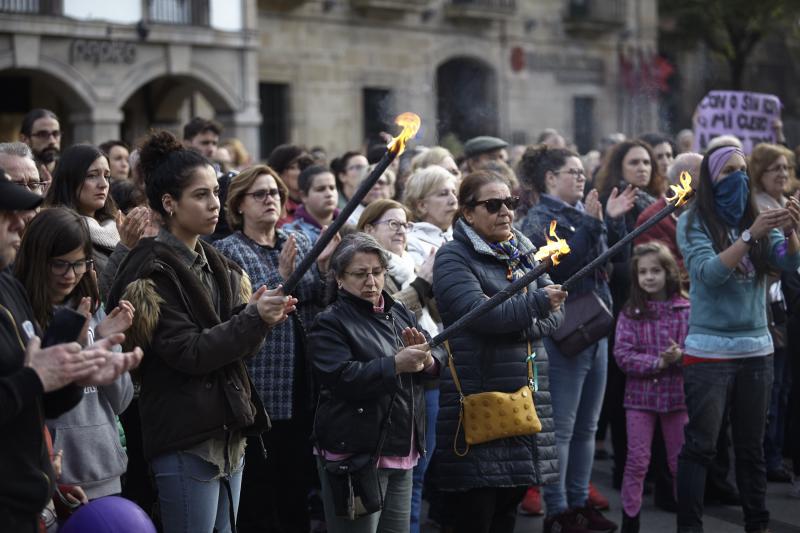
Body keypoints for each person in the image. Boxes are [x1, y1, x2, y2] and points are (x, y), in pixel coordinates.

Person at [106, 131, 295, 533]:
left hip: (229, 432)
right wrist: (252, 319)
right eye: (201, 195)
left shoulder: (218, 264)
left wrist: (260, 318)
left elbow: (236, 350)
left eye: (215, 192)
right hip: (185, 435)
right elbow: (189, 352)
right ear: (169, 204)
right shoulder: (150, 272)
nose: (214, 204)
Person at [0, 173, 142, 532]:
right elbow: (27, 387)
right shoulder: (23, 292)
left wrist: (76, 373)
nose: (19, 222)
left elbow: (42, 402)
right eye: (5, 213)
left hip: (56, 487)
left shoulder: (11, 291)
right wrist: (34, 378)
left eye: (79, 264)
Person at [675, 145, 800, 533]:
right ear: (712, 179)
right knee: (702, 446)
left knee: (751, 449)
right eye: (730, 170)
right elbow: (709, 274)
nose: (740, 178)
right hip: (709, 351)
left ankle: (757, 524)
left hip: (756, 348)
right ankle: (689, 527)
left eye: (744, 170)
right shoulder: (693, 220)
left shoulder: (759, 216)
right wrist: (750, 235)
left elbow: (787, 263)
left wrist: (792, 232)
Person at [433, 170, 566, 532]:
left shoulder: (523, 247)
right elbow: (482, 315)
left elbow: (557, 313)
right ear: (468, 213)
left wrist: (524, 315)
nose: (505, 211)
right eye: (493, 205)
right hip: (481, 400)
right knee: (474, 512)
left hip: (525, 404)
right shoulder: (452, 258)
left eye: (510, 202)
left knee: (507, 511)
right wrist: (534, 307)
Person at [214, 165, 336, 533]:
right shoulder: (227, 252)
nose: (270, 200)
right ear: (238, 205)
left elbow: (314, 300)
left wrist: (328, 269)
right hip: (260, 391)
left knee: (295, 493)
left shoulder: (292, 241)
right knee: (260, 499)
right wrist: (284, 279)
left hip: (303, 385)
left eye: (275, 194)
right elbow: (247, 310)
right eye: (260, 194)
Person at [517, 145, 633, 531]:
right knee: (562, 427)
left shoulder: (585, 214)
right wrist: (593, 225)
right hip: (564, 330)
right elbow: (564, 265)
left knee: (587, 425)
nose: (582, 177)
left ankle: (580, 501)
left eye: (583, 171)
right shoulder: (539, 219)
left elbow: (611, 262)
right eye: (573, 172)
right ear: (550, 179)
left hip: (595, 325)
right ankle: (558, 508)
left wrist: (613, 224)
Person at [309, 232, 442, 532]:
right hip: (356, 455)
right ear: (340, 279)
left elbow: (436, 353)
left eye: (377, 272)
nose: (371, 281)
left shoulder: (398, 311)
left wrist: (427, 361)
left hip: (401, 448)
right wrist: (395, 364)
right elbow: (341, 378)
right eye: (360, 274)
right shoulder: (330, 322)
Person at [15, 207, 135, 500]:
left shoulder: (91, 307)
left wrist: (105, 343)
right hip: (52, 475)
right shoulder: (21, 313)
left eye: (80, 264)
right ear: (38, 258)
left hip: (105, 468)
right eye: (60, 264)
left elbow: (121, 400)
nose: (71, 275)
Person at [593, 139, 659, 489]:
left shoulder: (657, 204)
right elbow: (605, 261)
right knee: (621, 394)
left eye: (647, 162)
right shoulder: (610, 204)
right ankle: (625, 467)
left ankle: (652, 467)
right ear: (619, 167)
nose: (643, 168)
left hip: (654, 307)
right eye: (635, 162)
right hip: (620, 307)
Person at [613, 242, 690, 533]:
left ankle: (687, 518)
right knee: (637, 460)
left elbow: (695, 348)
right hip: (640, 399)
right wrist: (657, 363)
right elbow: (622, 354)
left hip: (676, 397)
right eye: (643, 272)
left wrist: (681, 356)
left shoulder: (685, 308)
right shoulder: (631, 312)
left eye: (655, 270)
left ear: (668, 272)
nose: (649, 277)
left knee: (679, 461)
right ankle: (630, 521)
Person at [44, 144, 149, 301]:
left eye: (107, 176)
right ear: (70, 179)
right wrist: (125, 248)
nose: (103, 184)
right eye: (92, 175)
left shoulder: (116, 225)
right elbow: (93, 299)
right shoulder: (58, 229)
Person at [748, 142, 796, 483]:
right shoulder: (759, 208)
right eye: (774, 168)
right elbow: (777, 265)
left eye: (786, 168)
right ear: (759, 173)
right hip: (768, 308)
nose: (782, 174)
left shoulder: (786, 204)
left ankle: (776, 451)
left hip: (787, 306)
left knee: (784, 387)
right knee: (773, 388)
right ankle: (769, 456)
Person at [357, 200, 438, 336]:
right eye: (394, 224)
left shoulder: (414, 266)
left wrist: (438, 282)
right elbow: (378, 313)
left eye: (405, 225)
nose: (402, 231)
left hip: (429, 349)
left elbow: (439, 316)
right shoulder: (360, 268)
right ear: (369, 229)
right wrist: (420, 287)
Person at [403, 165, 458, 267]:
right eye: (443, 194)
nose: (454, 200)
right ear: (422, 206)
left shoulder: (465, 236)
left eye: (454, 193)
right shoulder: (409, 241)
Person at [283, 165, 340, 241]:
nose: (329, 194)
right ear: (303, 196)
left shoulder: (351, 222)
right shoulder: (292, 234)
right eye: (321, 189)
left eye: (332, 188)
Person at [268, 144, 313, 226]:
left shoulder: (316, 203)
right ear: (277, 173)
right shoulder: (274, 208)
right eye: (293, 167)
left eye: (304, 166)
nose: (301, 172)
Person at [19, 108, 61, 174]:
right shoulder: (15, 175)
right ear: (24, 139)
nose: (52, 141)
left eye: (55, 134)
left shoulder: (71, 173)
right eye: (43, 134)